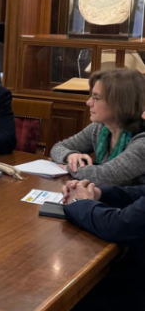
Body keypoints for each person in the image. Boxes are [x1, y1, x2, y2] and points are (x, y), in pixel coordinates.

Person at [61, 105, 145, 311]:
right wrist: (100, 193)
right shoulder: (99, 129)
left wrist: (82, 203)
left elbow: (120, 226)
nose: (143, 115)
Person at [51, 68, 145, 186]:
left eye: (96, 98)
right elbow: (58, 147)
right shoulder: (99, 128)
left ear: (120, 103)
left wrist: (71, 167)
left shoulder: (142, 140)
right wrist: (71, 156)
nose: (89, 103)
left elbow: (105, 176)